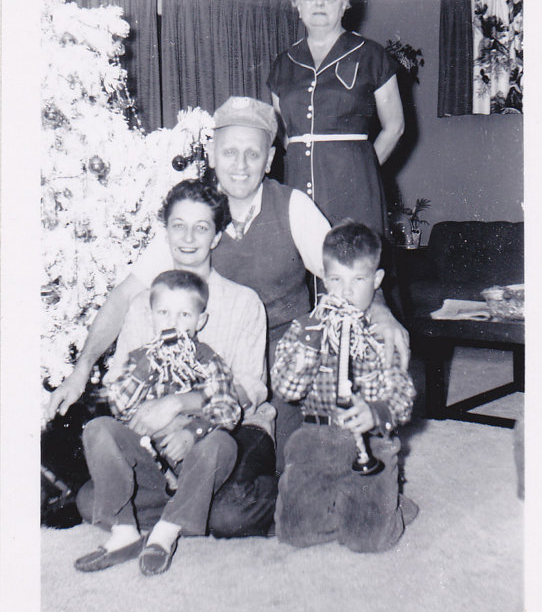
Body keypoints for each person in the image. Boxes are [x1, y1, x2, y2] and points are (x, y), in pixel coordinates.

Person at [48, 97, 409, 474]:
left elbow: (344, 269)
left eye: (252, 154)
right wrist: (81, 367)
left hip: (286, 356)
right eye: (230, 152)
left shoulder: (292, 206)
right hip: (211, 360)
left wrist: (381, 310)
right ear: (212, 154)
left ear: (269, 160)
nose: (240, 165)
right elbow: (124, 295)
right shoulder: (195, 215)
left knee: (300, 466)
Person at [73, 180, 277, 539]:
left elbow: (249, 389)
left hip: (232, 429)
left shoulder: (244, 301)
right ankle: (185, 505)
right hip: (157, 435)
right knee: (91, 502)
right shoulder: (144, 306)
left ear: (216, 236)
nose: (188, 238)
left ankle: (216, 500)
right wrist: (155, 419)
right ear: (165, 231)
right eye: (178, 226)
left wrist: (179, 405)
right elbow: (123, 384)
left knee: (230, 517)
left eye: (201, 227)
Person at [75, 269, 242, 575]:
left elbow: (230, 410)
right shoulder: (140, 358)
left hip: (193, 463)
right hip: (149, 464)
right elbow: (121, 407)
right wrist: (147, 367)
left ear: (199, 321)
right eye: (163, 313)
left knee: (222, 443)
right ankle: (124, 532)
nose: (173, 323)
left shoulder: (208, 360)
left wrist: (193, 431)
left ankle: (167, 530)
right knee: (98, 428)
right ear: (151, 316)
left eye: (184, 315)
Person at [271, 221, 418, 553]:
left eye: (359, 280)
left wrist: (376, 412)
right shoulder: (305, 328)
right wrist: (310, 345)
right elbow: (286, 389)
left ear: (377, 281)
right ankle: (354, 501)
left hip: (369, 442)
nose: (346, 292)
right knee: (294, 533)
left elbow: (403, 396)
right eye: (336, 280)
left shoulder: (382, 335)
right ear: (324, 282)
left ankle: (389, 504)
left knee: (368, 541)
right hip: (314, 438)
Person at [268, 0, 405, 235]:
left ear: (345, 4)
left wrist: (361, 172)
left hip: (355, 191)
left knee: (352, 267)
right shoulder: (283, 64)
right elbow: (284, 133)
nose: (319, 2)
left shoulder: (371, 56)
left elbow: (395, 127)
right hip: (298, 185)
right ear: (297, 3)